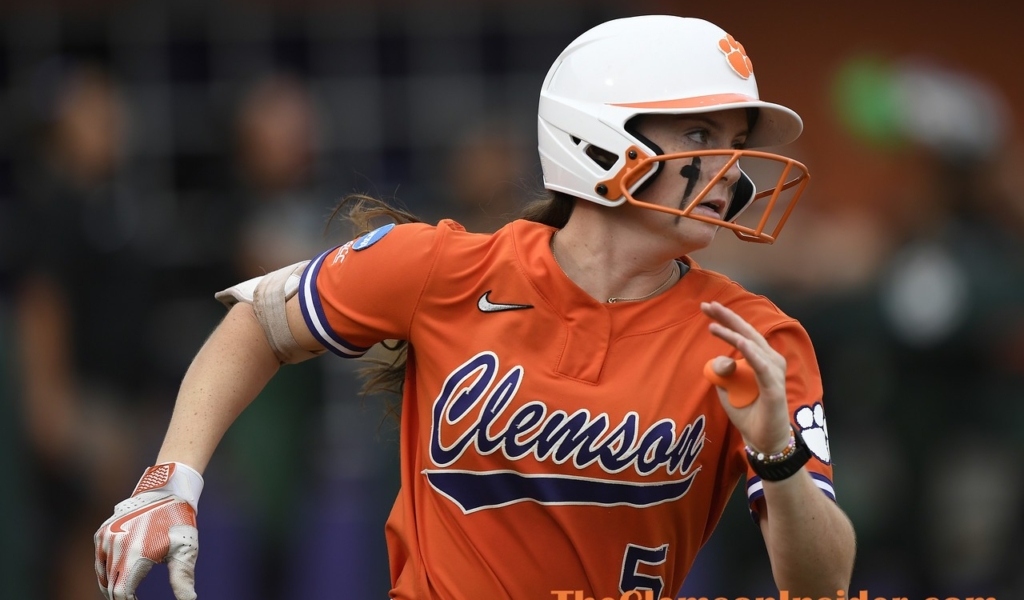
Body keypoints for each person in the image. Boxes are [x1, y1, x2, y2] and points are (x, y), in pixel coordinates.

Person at [94, 15, 855, 600]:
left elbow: (821, 586)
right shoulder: (443, 268)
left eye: (735, 141)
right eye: (700, 134)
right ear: (599, 137)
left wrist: (777, 452)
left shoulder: (756, 338)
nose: (732, 169)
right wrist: (172, 479)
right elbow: (257, 320)